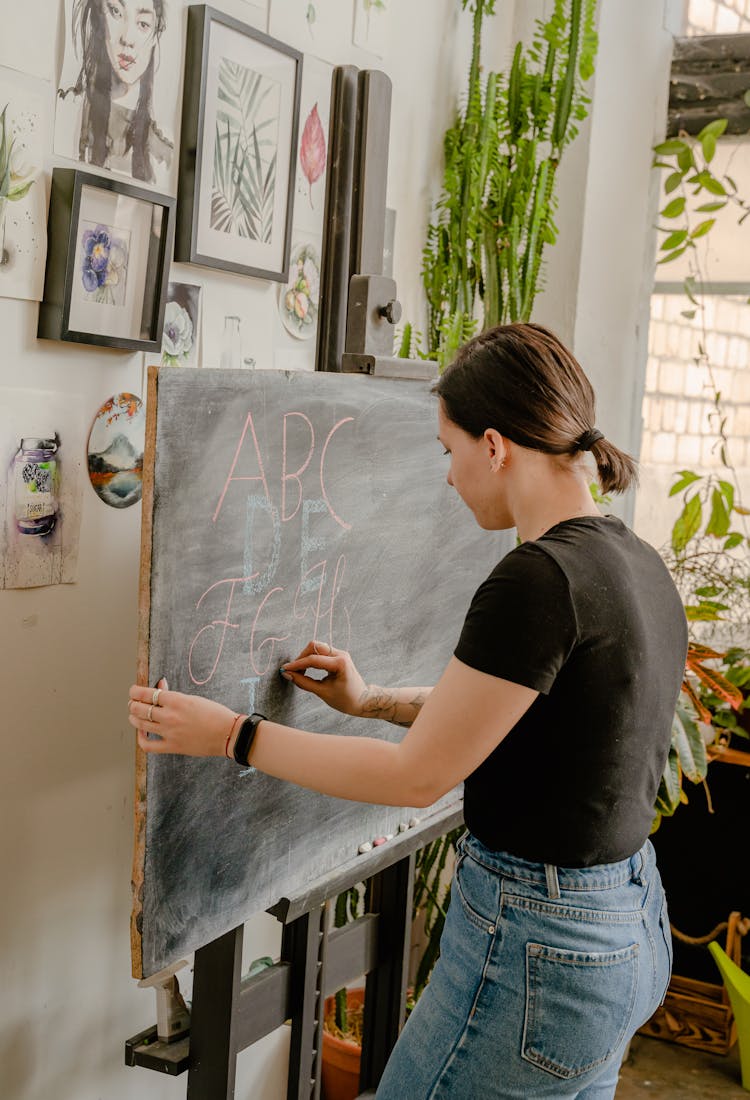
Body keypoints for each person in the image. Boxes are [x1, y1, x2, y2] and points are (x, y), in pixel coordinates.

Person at [128, 322, 688, 1099]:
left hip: (540, 946)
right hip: (626, 925)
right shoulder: (631, 560)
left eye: (448, 451)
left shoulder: (537, 579)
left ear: (494, 446)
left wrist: (232, 734)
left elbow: (416, 777)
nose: (448, 478)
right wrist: (369, 700)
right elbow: (518, 716)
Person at [58, 0, 172, 184]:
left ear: (155, 34)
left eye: (143, 24)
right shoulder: (70, 108)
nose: (127, 38)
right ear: (100, 15)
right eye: (116, 12)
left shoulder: (163, 152)